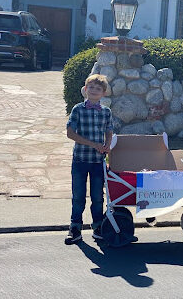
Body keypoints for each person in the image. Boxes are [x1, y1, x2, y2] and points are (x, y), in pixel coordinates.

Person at [64, 74, 113, 245]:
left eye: (98, 89)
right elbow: (70, 133)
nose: (93, 91)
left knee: (97, 197)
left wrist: (107, 144)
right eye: (91, 87)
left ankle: (98, 227)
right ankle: (75, 228)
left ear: (103, 93)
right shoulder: (78, 109)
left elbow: (109, 130)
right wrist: (93, 144)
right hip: (80, 160)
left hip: (98, 162)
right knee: (78, 196)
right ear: (85, 90)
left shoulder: (106, 112)